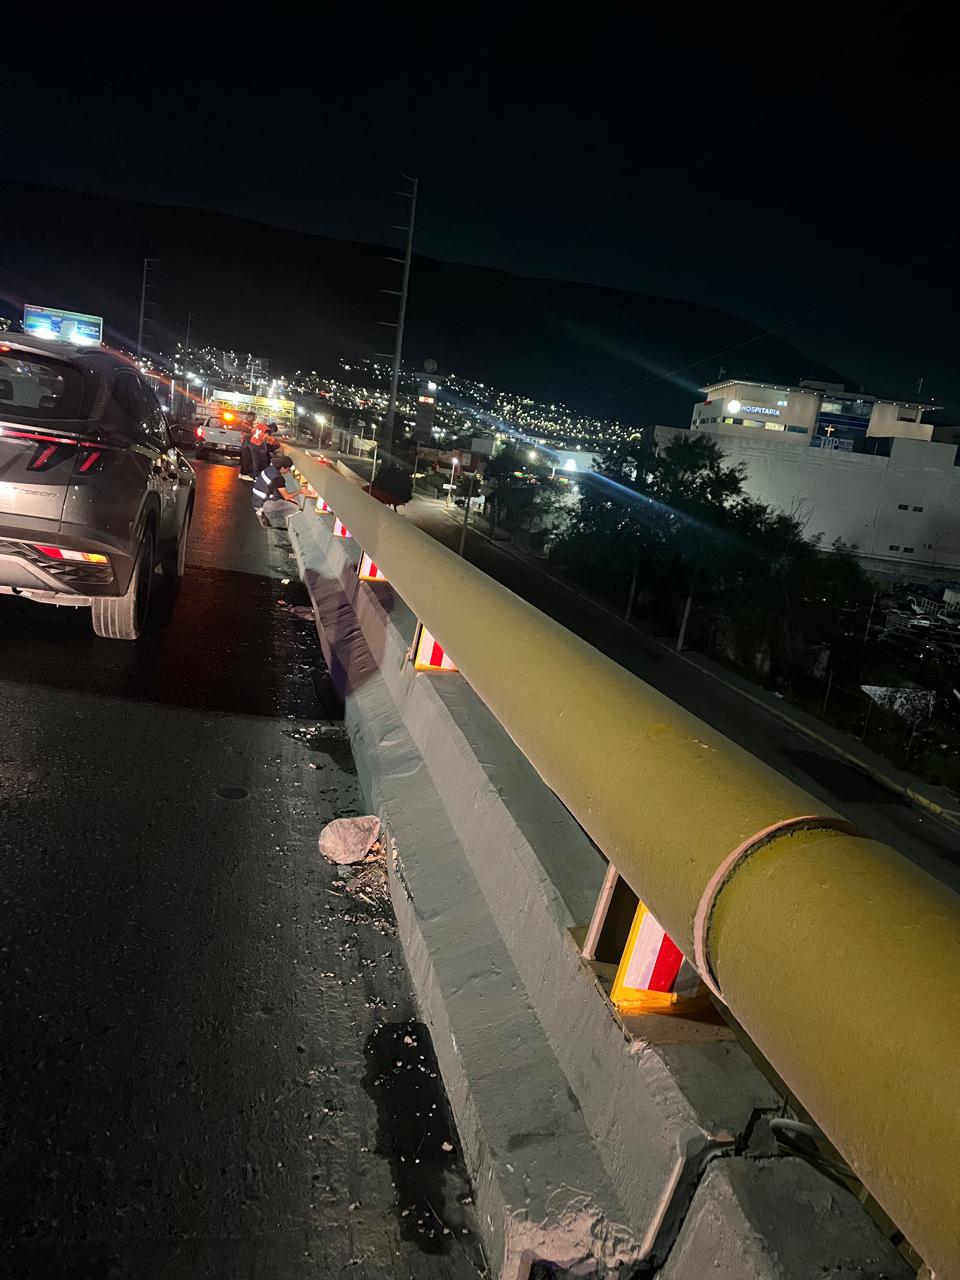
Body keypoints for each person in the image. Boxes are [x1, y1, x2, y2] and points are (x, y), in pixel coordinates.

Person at [252, 453, 301, 528]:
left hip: (256, 500)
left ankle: (263, 511)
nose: (288, 471)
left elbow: (276, 490)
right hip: (262, 503)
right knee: (295, 507)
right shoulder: (278, 478)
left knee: (286, 500)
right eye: (288, 469)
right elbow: (286, 497)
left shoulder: (271, 469)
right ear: (282, 468)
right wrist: (300, 491)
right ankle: (267, 514)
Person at [238, 411, 258, 481]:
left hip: (247, 443)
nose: (255, 418)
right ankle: (245, 474)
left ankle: (241, 473)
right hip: (247, 443)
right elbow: (252, 431)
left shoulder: (248, 423)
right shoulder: (245, 424)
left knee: (245, 459)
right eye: (254, 417)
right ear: (250, 416)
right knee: (246, 459)